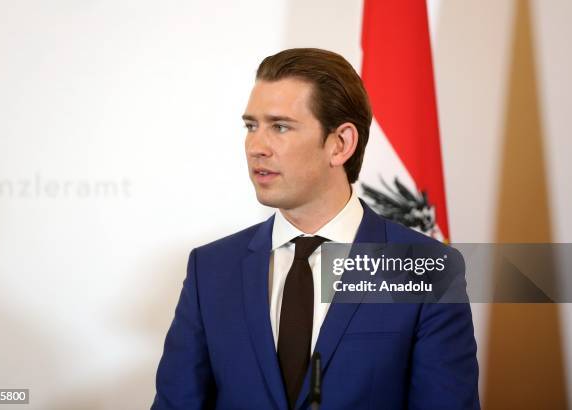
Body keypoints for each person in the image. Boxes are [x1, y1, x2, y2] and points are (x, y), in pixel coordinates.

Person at [151, 48, 480, 410]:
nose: (256, 147)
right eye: (251, 126)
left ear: (340, 144)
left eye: (280, 126)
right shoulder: (210, 268)